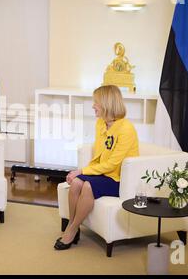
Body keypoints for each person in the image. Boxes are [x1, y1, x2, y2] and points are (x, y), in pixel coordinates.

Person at [54, 85, 139, 250]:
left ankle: (71, 230)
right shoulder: (101, 123)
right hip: (103, 173)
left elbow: (113, 164)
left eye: (96, 102)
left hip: (119, 178)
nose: (93, 106)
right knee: (77, 183)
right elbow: (99, 155)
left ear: (107, 104)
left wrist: (82, 171)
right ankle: (74, 226)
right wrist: (79, 174)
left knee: (87, 185)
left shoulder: (126, 129)